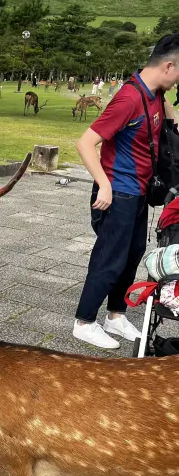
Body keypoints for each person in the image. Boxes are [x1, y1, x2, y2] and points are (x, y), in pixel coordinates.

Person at [73, 34, 179, 349]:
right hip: (117, 191)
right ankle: (84, 321)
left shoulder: (156, 94)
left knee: (131, 255)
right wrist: (103, 184)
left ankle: (115, 315)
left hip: (139, 192)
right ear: (168, 65)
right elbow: (85, 143)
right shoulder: (128, 99)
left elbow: (169, 120)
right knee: (109, 257)